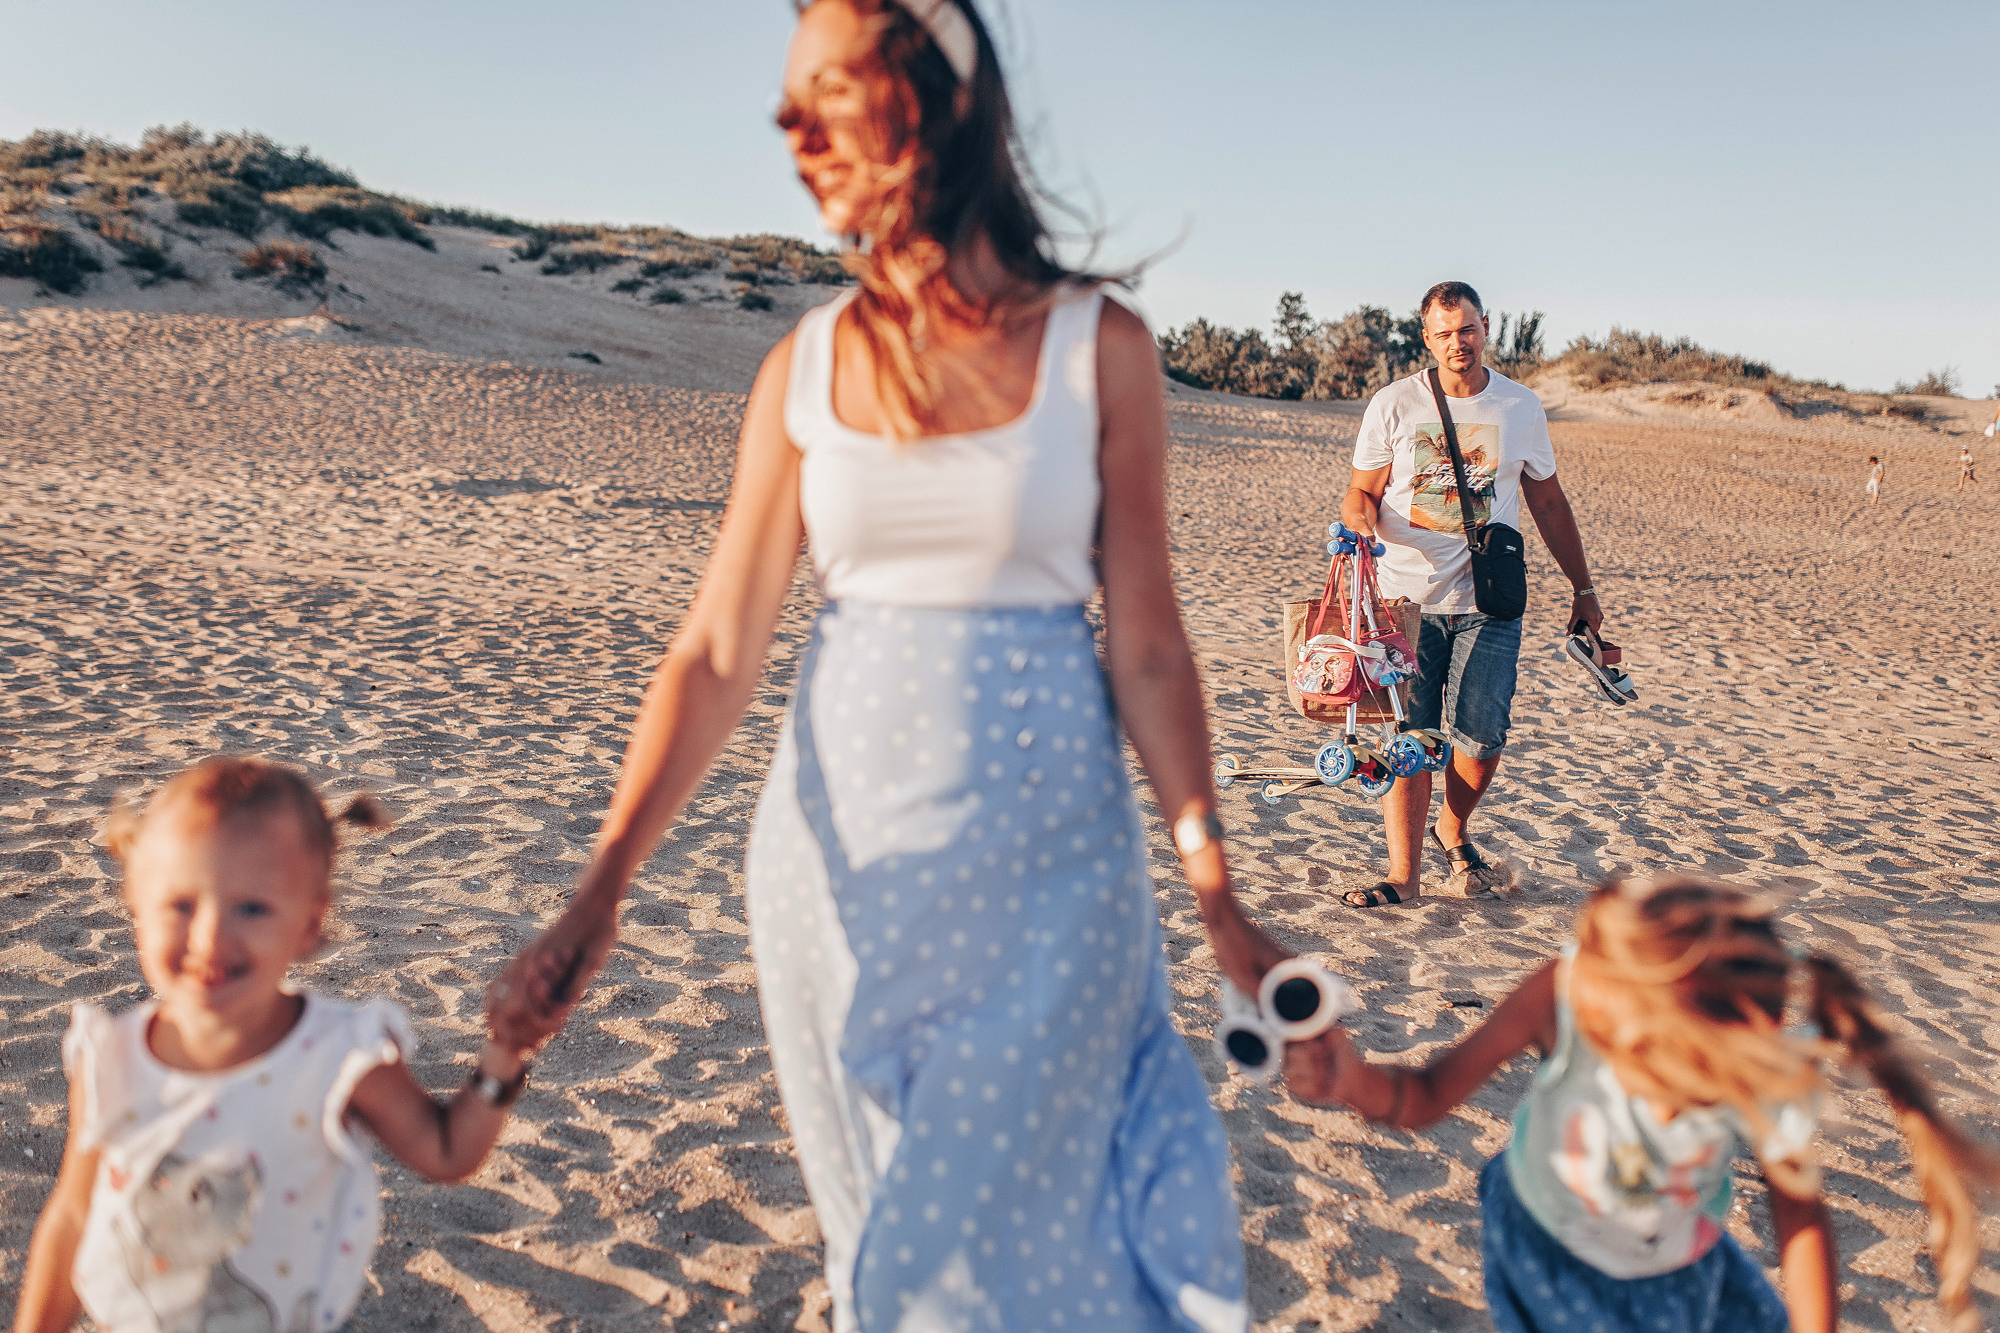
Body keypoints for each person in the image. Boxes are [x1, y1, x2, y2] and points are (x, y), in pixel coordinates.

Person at [485, 3, 1297, 1329]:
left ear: (938, 100)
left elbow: (1149, 645)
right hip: (834, 883)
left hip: (1052, 872)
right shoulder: (802, 367)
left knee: (1027, 1251)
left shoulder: (1104, 350)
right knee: (897, 1258)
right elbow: (715, 648)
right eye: (783, 103)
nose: (789, 127)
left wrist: (1216, 897)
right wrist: (601, 887)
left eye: (829, 90)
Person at [1284, 876, 2000, 1333]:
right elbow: (1427, 1093)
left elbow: (1801, 1215)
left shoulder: (1755, 1053)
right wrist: (1349, 1080)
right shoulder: (1571, 992)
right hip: (1553, 1245)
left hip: (1682, 1252)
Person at [13, 757, 536, 1333]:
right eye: (182, 904)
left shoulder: (337, 1055)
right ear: (136, 902)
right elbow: (72, 1217)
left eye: (252, 908)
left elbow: (446, 1151)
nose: (212, 937)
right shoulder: (109, 1057)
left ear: (309, 924)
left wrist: (503, 1054)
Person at [1337, 282, 1603, 907]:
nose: (1458, 343)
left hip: (1489, 599)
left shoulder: (1519, 407)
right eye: (1444, 333)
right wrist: (1357, 526)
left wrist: (1583, 587)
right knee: (1411, 738)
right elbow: (1361, 491)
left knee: (1482, 740)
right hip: (1404, 600)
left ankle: (1452, 826)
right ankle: (1403, 875)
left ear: (1486, 328)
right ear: (1426, 338)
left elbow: (1548, 500)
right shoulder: (1394, 404)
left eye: (1468, 330)